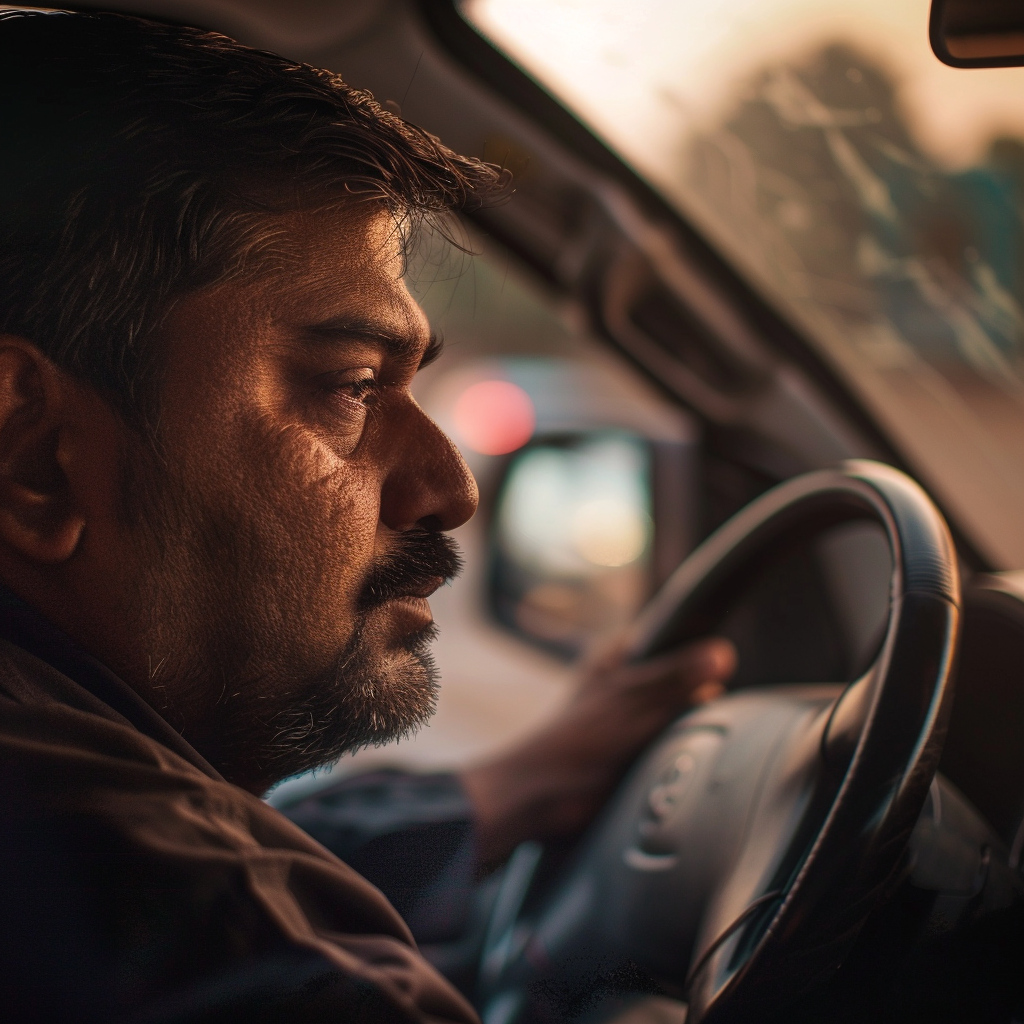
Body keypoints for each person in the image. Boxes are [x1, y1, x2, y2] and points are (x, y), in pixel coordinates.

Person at [0, 9, 735, 1022]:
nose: (450, 487)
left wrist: (497, 795)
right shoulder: (229, 954)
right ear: (32, 455)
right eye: (351, 386)